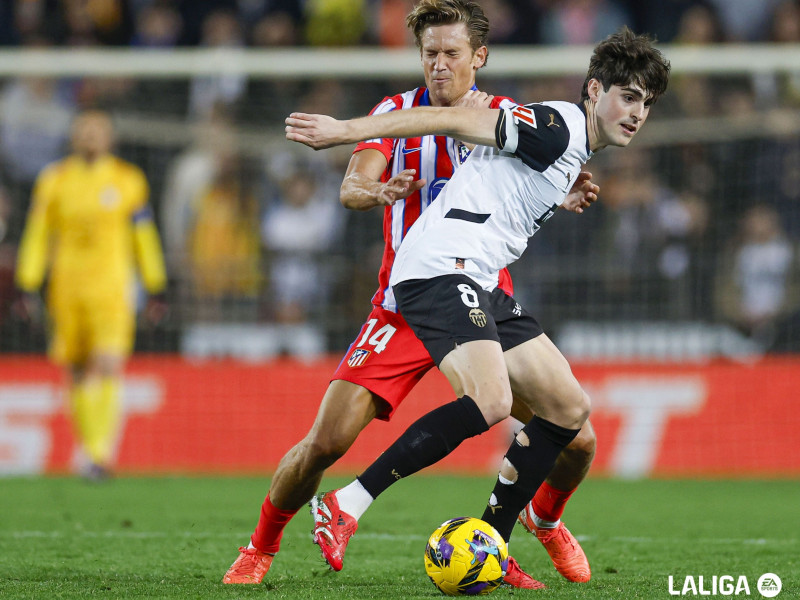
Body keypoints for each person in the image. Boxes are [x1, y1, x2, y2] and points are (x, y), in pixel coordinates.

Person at [223, 0, 598, 588]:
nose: (439, 66)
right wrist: (376, 193)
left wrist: (566, 188)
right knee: (325, 443)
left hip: (481, 297)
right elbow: (353, 185)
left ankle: (540, 522)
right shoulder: (394, 113)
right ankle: (260, 546)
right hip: (405, 304)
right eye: (430, 54)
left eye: (452, 54)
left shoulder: (505, 115)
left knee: (576, 436)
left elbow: (544, 175)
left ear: (480, 55)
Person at [286, 22, 670, 581]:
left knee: (568, 409)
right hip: (439, 268)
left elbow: (489, 163)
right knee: (492, 402)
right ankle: (346, 504)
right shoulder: (558, 126)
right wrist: (346, 130)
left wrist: (557, 192)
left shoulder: (567, 147)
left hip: (477, 276)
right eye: (627, 96)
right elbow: (449, 118)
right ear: (594, 91)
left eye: (646, 103)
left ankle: (495, 540)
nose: (636, 112)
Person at [14, 109, 167, 480]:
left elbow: (142, 234)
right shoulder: (54, 180)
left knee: (107, 363)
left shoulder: (127, 180)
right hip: (66, 288)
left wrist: (154, 282)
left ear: (110, 137)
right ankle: (91, 451)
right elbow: (37, 234)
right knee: (77, 369)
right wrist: (27, 280)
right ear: (73, 137)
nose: (90, 137)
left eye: (97, 131)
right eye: (84, 131)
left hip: (112, 287)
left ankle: (100, 453)